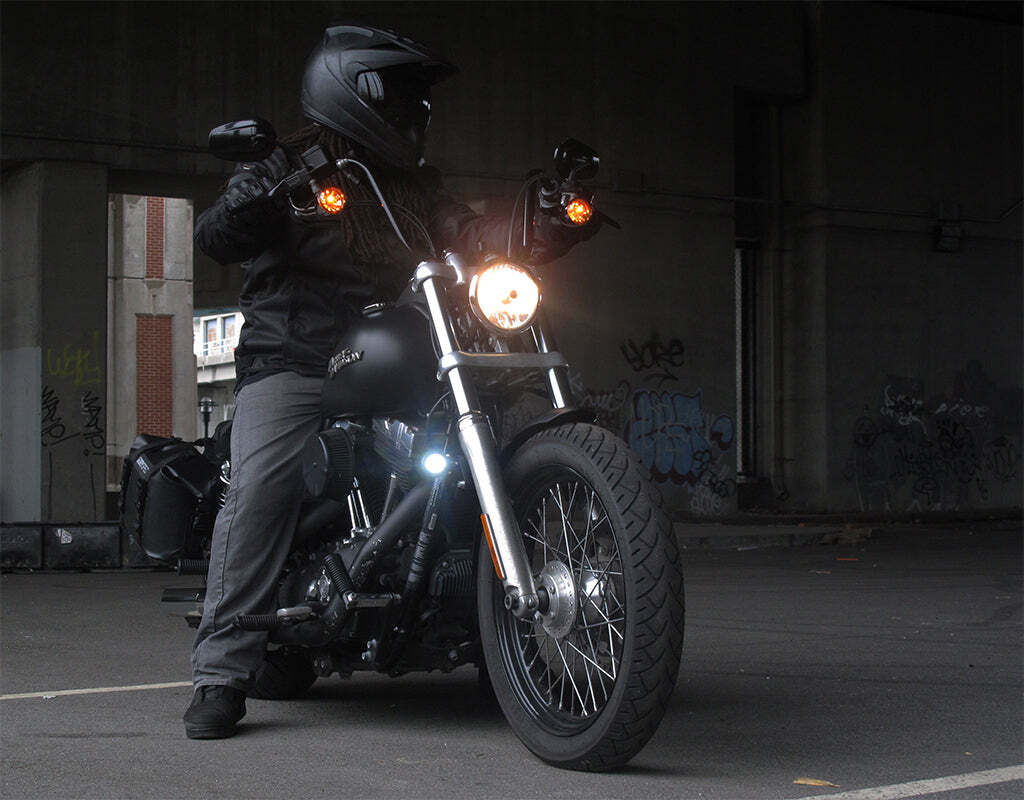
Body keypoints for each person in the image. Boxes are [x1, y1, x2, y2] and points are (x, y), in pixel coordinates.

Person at [184, 24, 597, 739]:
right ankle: (220, 671)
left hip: (398, 350)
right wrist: (255, 201)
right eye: (400, 97)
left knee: (482, 451)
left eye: (417, 102)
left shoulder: (416, 188)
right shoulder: (287, 164)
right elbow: (217, 234)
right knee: (261, 489)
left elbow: (474, 235)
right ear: (353, 93)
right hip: (296, 355)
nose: (414, 113)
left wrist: (547, 222)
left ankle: (505, 644)